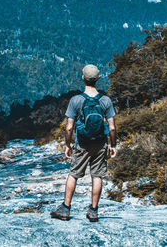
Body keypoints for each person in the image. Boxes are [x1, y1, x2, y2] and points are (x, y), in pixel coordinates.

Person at [50, 64, 117, 222]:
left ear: (83, 78)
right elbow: (112, 128)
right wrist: (113, 146)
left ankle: (65, 209)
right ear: (98, 79)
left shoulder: (76, 100)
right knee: (97, 176)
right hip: (101, 143)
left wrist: (68, 145)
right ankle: (93, 211)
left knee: (74, 174)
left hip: (82, 143)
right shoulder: (106, 100)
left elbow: (69, 128)